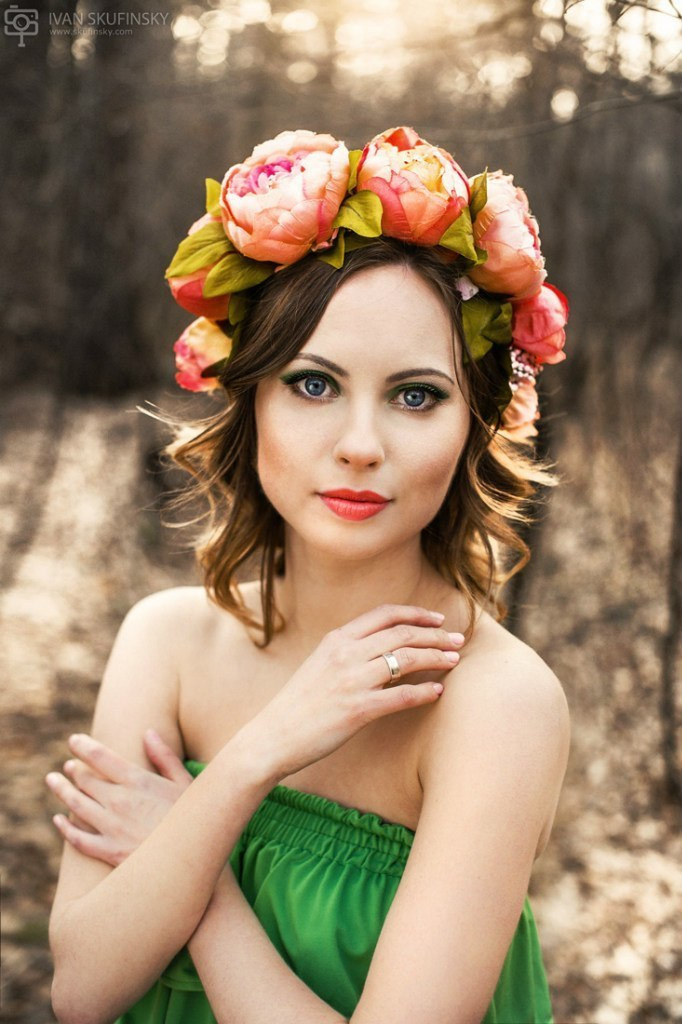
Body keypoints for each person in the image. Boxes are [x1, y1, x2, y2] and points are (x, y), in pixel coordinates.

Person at [46, 127, 571, 1024]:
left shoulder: (497, 705)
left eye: (416, 395)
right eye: (314, 384)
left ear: (473, 425)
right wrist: (263, 751)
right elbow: (83, 992)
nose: (360, 446)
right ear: (250, 398)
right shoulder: (165, 642)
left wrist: (200, 882)